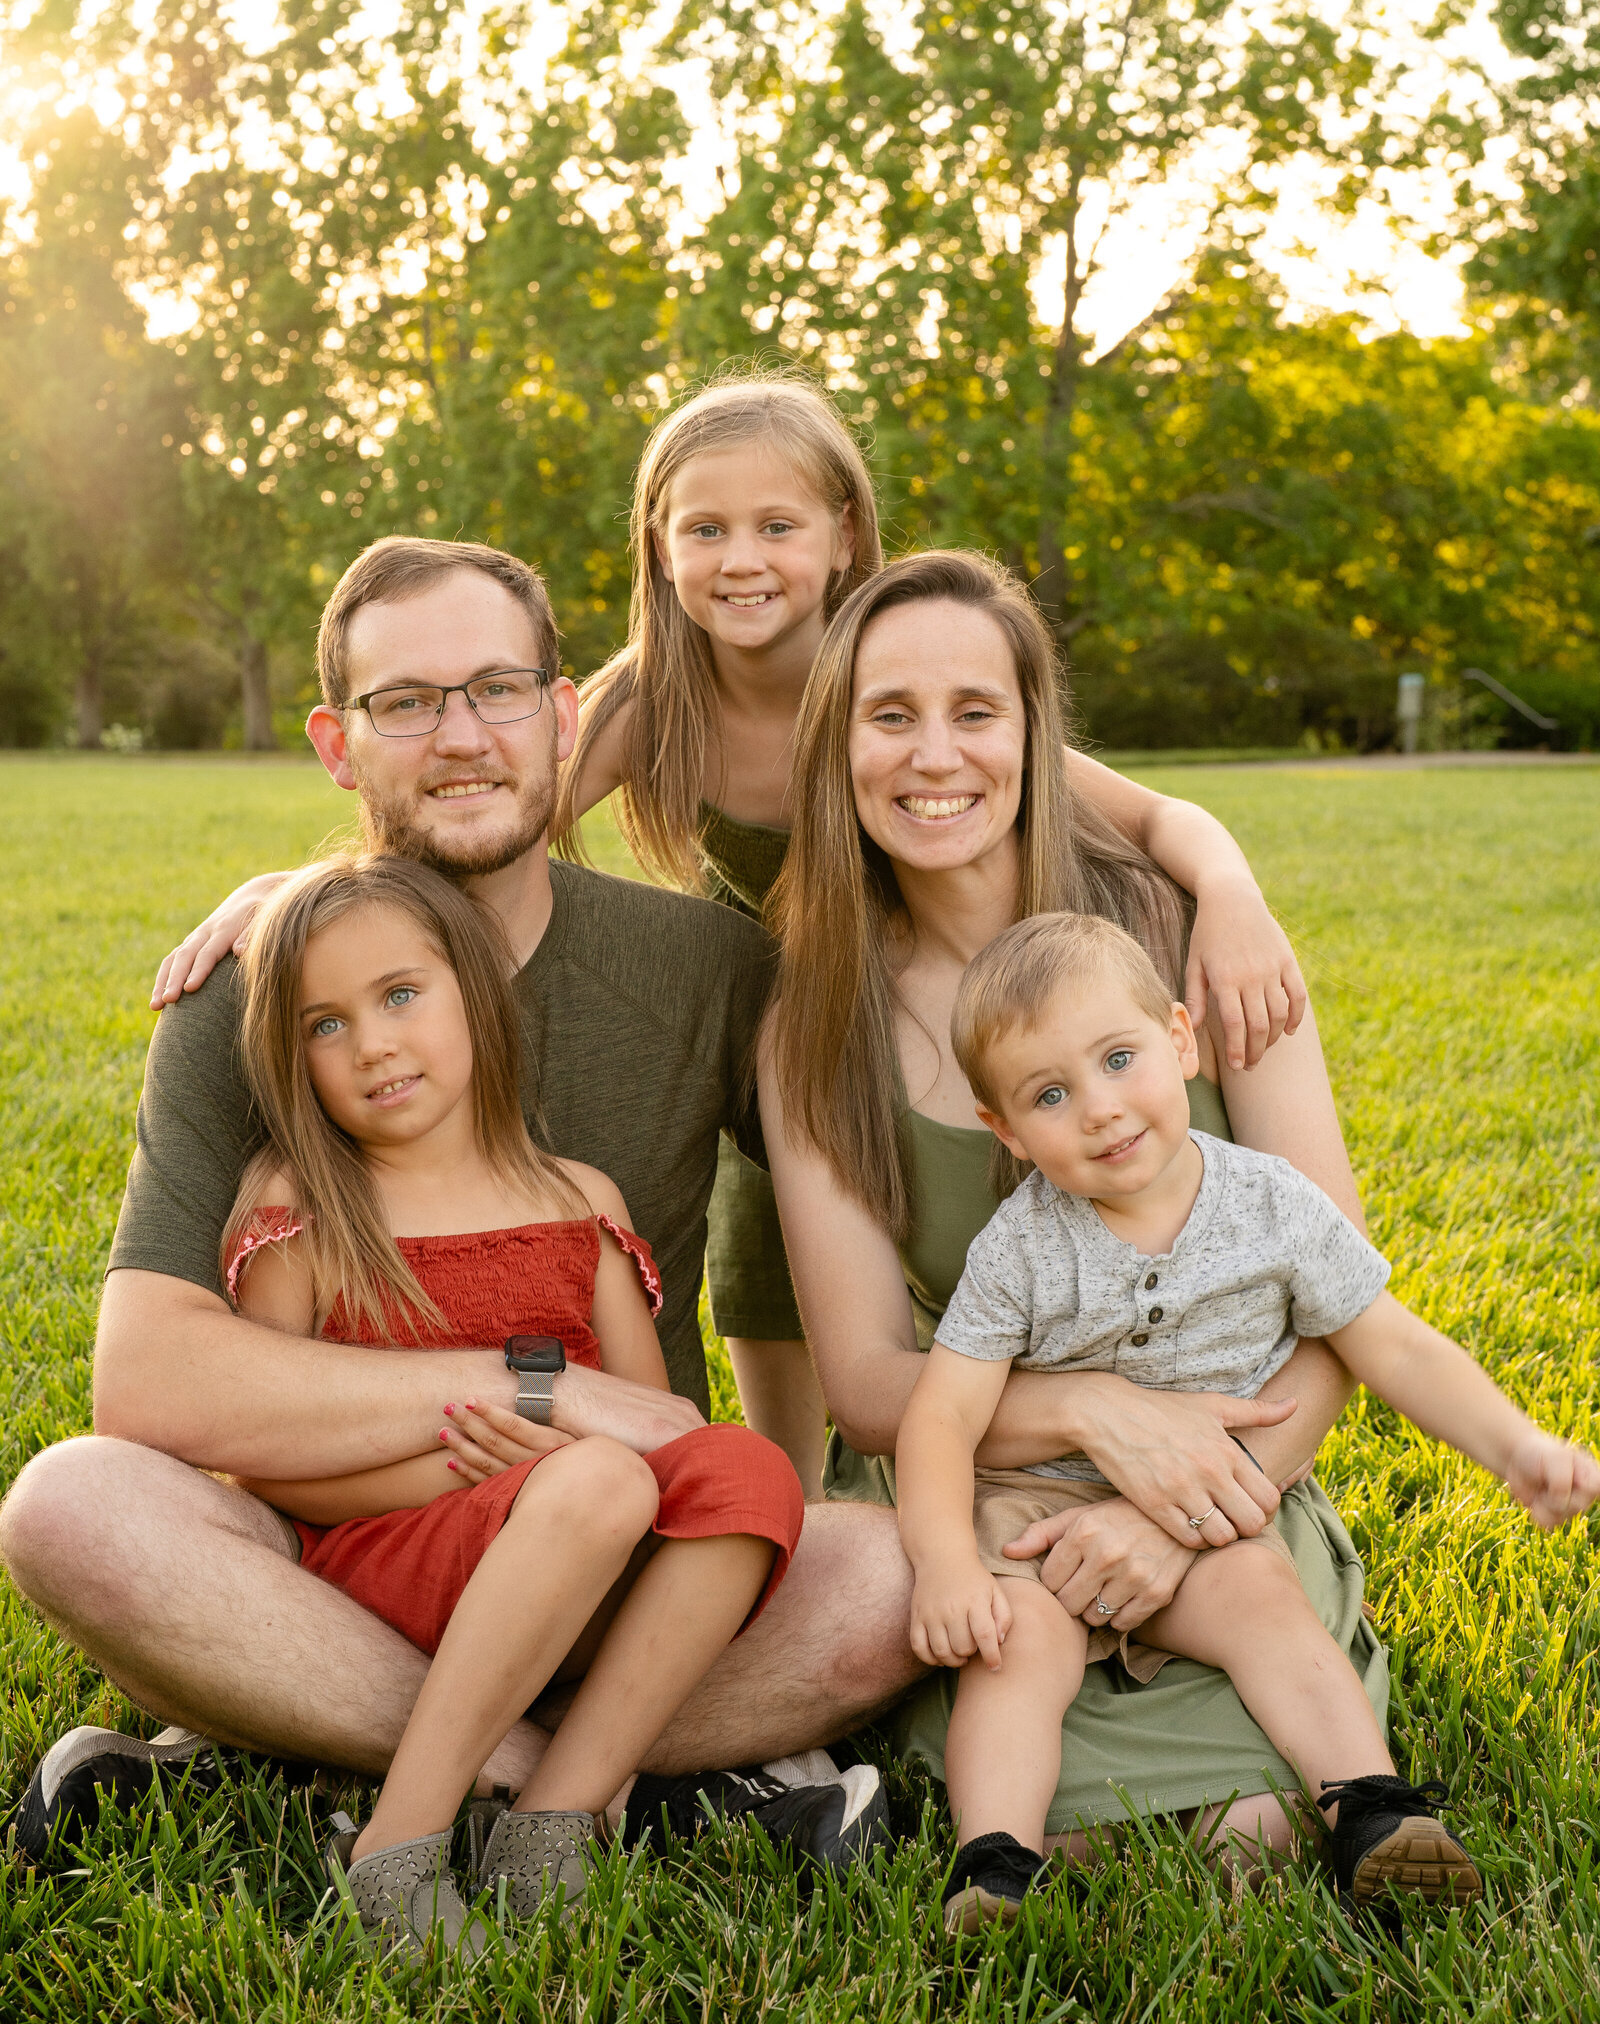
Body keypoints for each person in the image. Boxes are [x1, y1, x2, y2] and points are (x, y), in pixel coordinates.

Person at [150, 372, 1315, 1499]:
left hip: (896, 965)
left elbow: (1126, 808)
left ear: (846, 531)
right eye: (703, 527)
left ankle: (1014, 1403)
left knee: (951, 1200)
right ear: (657, 545)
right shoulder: (649, 698)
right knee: (764, 1263)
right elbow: (482, 814)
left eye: (776, 524)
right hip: (777, 997)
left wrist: (1231, 891)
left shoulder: (887, 684)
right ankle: (797, 1497)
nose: (741, 559)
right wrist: (309, 895)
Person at [1, 536, 901, 1872]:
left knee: (887, 1581)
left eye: (495, 689)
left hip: (625, 1560)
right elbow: (152, 1382)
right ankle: (597, 1788)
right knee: (72, 1508)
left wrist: (1202, 881)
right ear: (338, 743)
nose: (461, 736)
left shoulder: (705, 967)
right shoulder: (256, 989)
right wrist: (548, 1392)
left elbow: (918, 1135)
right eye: (406, 702)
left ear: (562, 712)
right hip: (350, 1558)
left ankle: (300, 1740)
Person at [759, 548, 1413, 1879]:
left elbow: (1346, 1309)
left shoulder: (1195, 943)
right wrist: (1087, 1414)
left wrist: (1180, 1504)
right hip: (982, 1494)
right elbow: (872, 1383)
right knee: (1037, 1786)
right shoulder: (815, 1027)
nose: (933, 756)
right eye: (890, 716)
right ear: (837, 750)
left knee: (1264, 1803)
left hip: (1237, 1480)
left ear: (1033, 735)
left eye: (975, 712)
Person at [899, 909, 1600, 1930]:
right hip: (1038, 1506)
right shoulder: (1020, 1245)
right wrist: (946, 1566)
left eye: (1119, 1058)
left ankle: (1371, 1804)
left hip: (1208, 1501)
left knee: (1262, 1594)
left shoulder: (1270, 1202)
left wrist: (1515, 1444)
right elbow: (939, 1416)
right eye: (1050, 1094)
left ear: (1181, 1040)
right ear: (1003, 1128)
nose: (1098, 1108)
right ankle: (996, 1865)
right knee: (1017, 1649)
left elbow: (1390, 1343)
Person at [220, 851, 803, 1958]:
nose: (373, 1043)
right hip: (390, 1551)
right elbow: (267, 1456)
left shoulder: (576, 1198)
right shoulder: (301, 1206)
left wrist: (563, 1468)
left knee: (749, 1467)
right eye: (323, 1025)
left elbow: (653, 1417)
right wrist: (474, 1468)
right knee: (592, 1474)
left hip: (585, 1531)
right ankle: (393, 1848)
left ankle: (549, 1820)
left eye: (399, 995)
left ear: (477, 992)